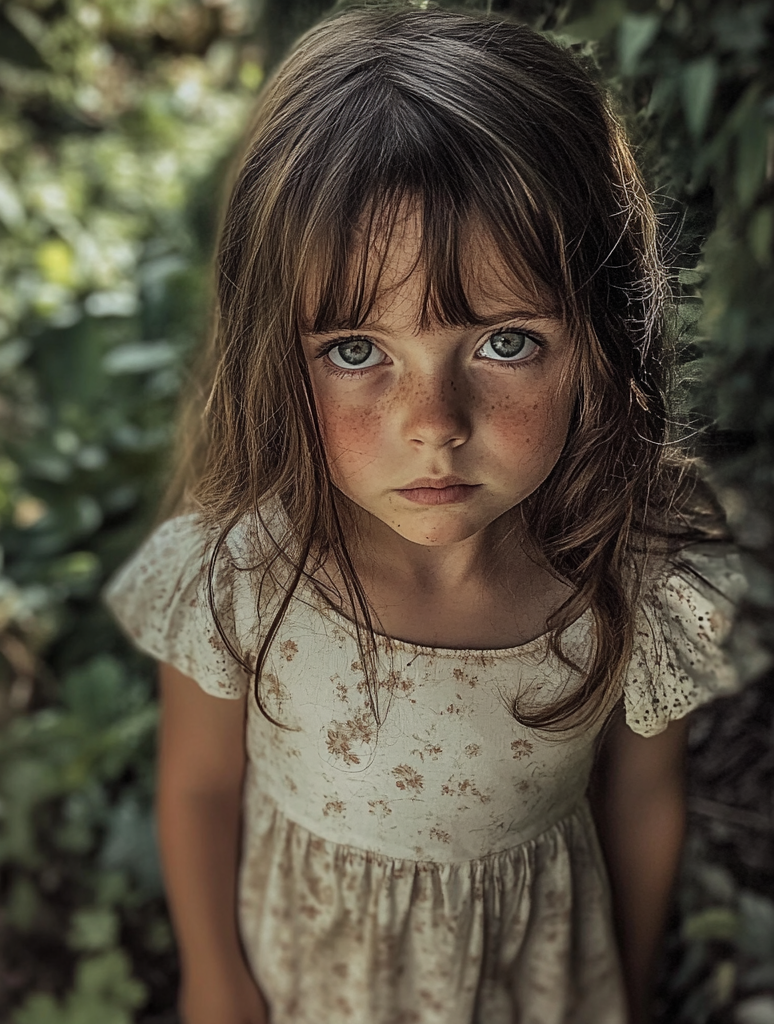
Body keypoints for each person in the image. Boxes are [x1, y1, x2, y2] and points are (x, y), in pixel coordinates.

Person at [105, 4, 748, 1022]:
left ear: (603, 331)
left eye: (504, 343)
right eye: (357, 351)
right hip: (310, 984)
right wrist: (216, 979)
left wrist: (617, 980)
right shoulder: (238, 571)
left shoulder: (630, 574)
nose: (432, 424)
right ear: (278, 352)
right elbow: (196, 788)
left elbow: (639, 798)